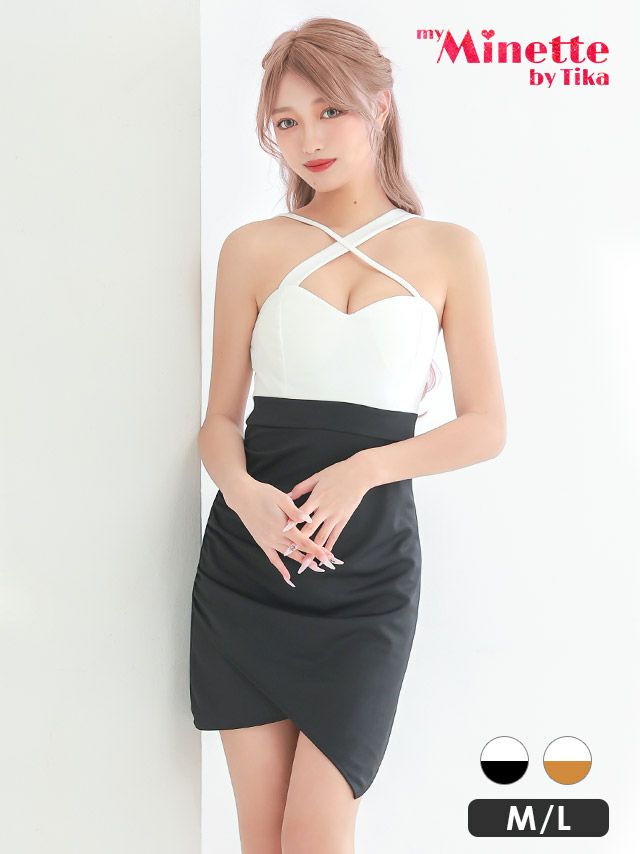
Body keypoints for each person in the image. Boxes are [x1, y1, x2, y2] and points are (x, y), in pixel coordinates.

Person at [190, 16, 506, 854]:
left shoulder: (448, 249)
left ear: (381, 107)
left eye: (330, 111)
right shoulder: (252, 248)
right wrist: (244, 496)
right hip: (253, 563)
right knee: (263, 841)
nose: (310, 140)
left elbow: (486, 427)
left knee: (318, 834)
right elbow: (218, 422)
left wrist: (364, 469)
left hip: (367, 574)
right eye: (287, 122)